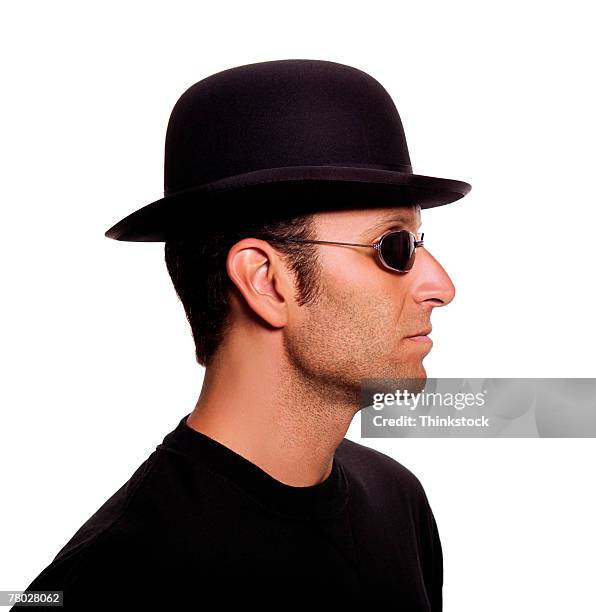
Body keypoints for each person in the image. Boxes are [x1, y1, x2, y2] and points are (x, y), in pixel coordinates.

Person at [17, 59, 471, 610]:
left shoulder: (396, 501)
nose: (441, 286)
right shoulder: (111, 582)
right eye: (394, 248)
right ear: (265, 282)